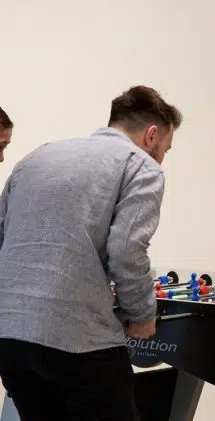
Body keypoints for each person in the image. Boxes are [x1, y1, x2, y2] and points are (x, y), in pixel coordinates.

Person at [0, 85, 182, 421]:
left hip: (10, 337)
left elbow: (2, 236)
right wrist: (141, 313)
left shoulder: (38, 157)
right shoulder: (140, 166)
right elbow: (127, 250)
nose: (162, 158)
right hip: (78, 341)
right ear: (152, 135)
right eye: (165, 149)